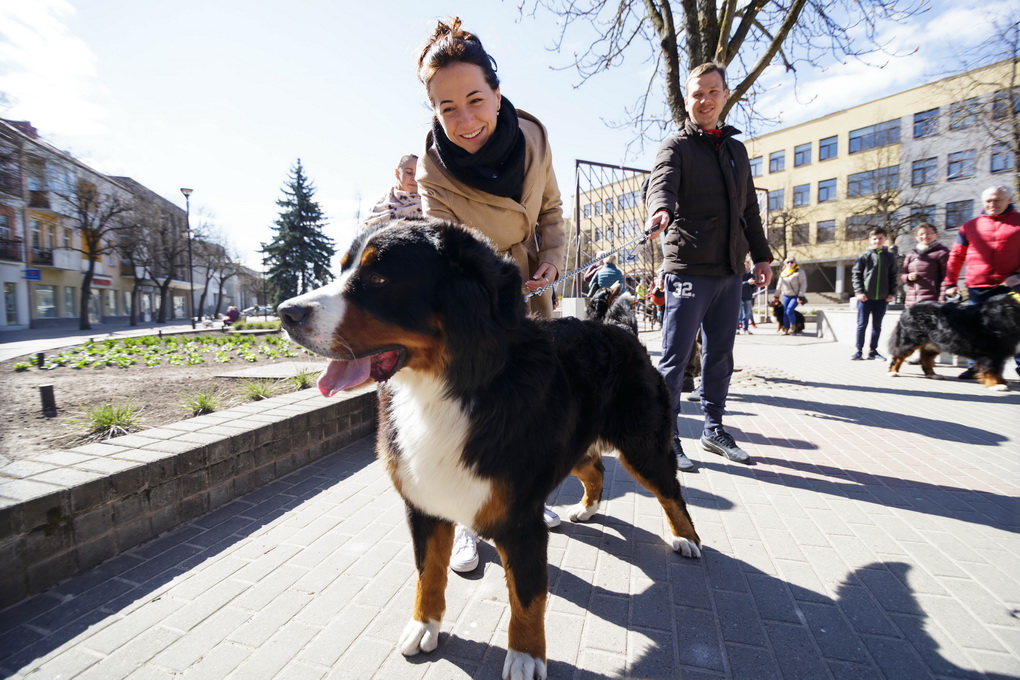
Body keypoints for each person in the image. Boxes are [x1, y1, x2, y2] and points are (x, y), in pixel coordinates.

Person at [415, 17, 566, 572]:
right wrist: (497, 288)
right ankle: (463, 523)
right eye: (447, 108)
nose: (465, 119)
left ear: (497, 93)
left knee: (531, 407)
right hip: (474, 303)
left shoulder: (533, 135)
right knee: (468, 412)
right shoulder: (433, 171)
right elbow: (449, 255)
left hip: (533, 287)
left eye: (475, 99)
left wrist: (550, 261)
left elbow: (550, 211)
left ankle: (525, 500)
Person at [644, 62, 773, 472]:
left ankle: (713, 428)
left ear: (724, 95)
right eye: (698, 93)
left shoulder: (736, 150)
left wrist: (762, 255)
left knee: (721, 355)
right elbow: (661, 183)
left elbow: (749, 207)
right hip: (688, 268)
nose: (705, 100)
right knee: (675, 357)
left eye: (713, 92)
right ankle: (666, 436)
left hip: (730, 270)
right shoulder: (676, 146)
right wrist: (660, 209)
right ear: (687, 99)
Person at [942, 185, 1020, 379]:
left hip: (1011, 286)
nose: (992, 204)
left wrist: (1019, 275)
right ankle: (976, 367)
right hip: (978, 287)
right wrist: (950, 283)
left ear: (1009, 200)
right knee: (977, 330)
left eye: (997, 200)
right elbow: (956, 256)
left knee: (1015, 330)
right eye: (988, 201)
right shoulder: (969, 227)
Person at [850, 226, 897, 361]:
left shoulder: (889, 256)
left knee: (877, 325)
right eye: (874, 238)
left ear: (885, 239)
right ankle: (858, 350)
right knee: (861, 324)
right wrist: (859, 292)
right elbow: (856, 275)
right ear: (870, 240)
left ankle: (873, 351)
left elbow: (893, 275)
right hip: (865, 298)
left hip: (882, 298)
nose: (877, 241)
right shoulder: (864, 256)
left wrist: (891, 293)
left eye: (880, 238)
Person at [362, 154, 423, 229]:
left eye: (418, 174)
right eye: (409, 172)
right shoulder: (379, 208)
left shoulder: (430, 204)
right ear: (397, 173)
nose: (414, 178)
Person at [901, 222, 949, 307]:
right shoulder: (911, 255)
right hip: (912, 302)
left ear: (936, 234)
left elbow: (946, 278)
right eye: (921, 234)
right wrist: (908, 277)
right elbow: (902, 275)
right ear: (916, 237)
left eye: (928, 233)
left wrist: (942, 298)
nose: (925, 236)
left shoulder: (942, 253)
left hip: (932, 302)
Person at [775, 256, 807, 335]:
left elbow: (803, 284)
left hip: (795, 296)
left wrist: (800, 295)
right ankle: (786, 328)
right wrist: (776, 295)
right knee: (785, 312)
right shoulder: (783, 272)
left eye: (792, 262)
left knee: (789, 310)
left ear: (795, 263)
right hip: (785, 295)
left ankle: (792, 326)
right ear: (785, 264)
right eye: (788, 262)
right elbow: (779, 284)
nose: (790, 264)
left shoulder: (799, 272)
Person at [737, 260, 755, 335]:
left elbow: (754, 287)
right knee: (738, 314)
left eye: (748, 265)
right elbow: (737, 284)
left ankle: (746, 328)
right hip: (739, 296)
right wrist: (747, 282)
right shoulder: (739, 275)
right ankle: (737, 329)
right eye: (745, 265)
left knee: (747, 314)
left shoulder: (751, 275)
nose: (746, 267)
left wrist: (754, 283)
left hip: (748, 297)